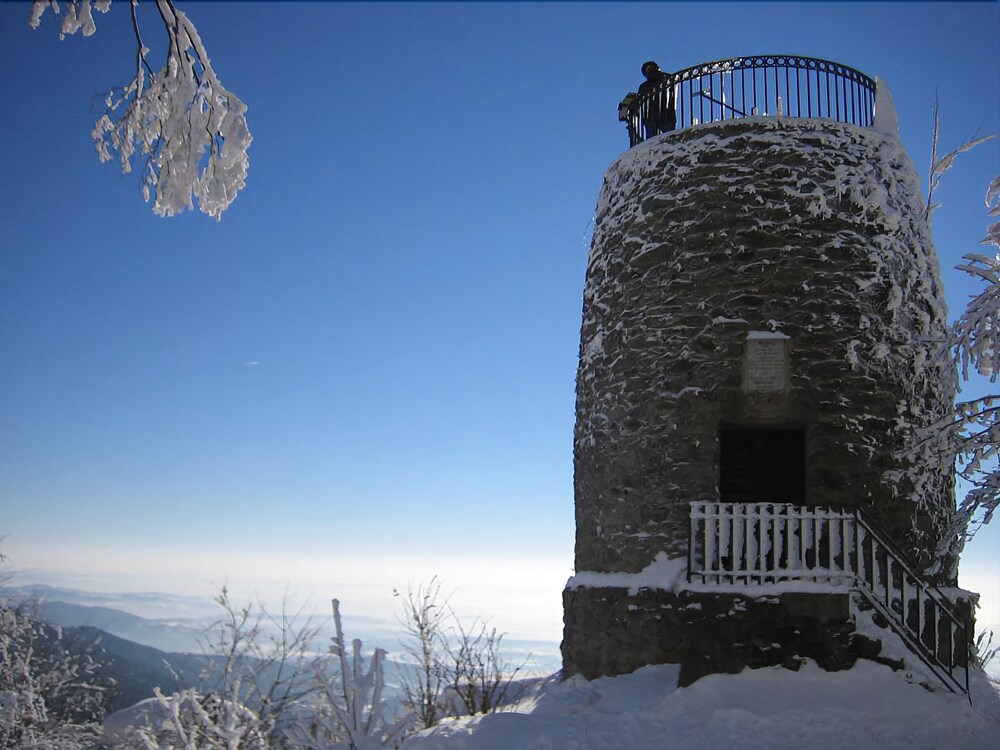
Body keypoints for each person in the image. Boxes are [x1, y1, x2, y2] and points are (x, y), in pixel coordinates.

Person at [637, 61, 677, 137]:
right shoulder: (644, 86)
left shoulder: (666, 78)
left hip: (664, 112)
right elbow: (639, 100)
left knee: (667, 137)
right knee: (654, 139)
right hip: (653, 115)